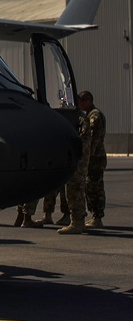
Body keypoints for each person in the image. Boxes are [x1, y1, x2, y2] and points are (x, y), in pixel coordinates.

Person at [58, 97, 93, 235]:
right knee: (75, 190)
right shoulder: (78, 117)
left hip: (78, 160)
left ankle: (77, 223)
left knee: (74, 190)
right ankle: (78, 221)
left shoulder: (79, 118)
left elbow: (84, 139)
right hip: (78, 158)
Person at [82, 91, 107, 228]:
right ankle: (96, 215)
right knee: (92, 186)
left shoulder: (94, 116)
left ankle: (97, 216)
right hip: (96, 157)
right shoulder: (92, 114)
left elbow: (93, 140)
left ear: (88, 101)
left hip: (95, 158)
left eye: (81, 101)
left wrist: (87, 156)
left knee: (94, 187)